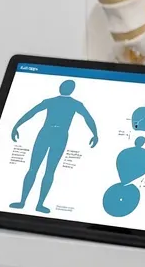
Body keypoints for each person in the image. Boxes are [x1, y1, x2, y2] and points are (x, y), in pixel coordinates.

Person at [9, 79, 100, 213]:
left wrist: (17, 126)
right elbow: (88, 118)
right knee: (41, 170)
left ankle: (32, 203)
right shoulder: (72, 103)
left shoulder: (53, 101)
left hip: (50, 135)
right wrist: (95, 134)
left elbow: (31, 113)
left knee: (40, 170)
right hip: (55, 135)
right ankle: (31, 203)